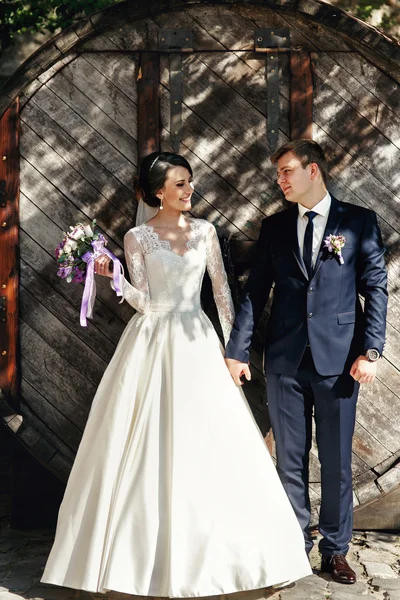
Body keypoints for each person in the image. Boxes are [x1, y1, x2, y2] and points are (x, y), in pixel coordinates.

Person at [41, 152, 311, 597]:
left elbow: (223, 291)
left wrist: (234, 350)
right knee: (147, 440)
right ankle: (138, 561)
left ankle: (237, 558)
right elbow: (143, 300)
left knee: (208, 437)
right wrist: (115, 277)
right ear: (158, 192)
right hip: (151, 339)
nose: (189, 190)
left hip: (197, 340)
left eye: (189, 182)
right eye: (180, 184)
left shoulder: (205, 232)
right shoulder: (137, 237)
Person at [225, 140, 388, 585]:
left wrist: (371, 351)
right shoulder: (275, 226)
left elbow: (375, 288)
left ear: (312, 170)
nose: (280, 180)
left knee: (335, 461)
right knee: (289, 461)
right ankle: (294, 544)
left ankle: (336, 549)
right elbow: (255, 292)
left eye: (286, 171)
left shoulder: (358, 222)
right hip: (285, 359)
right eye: (278, 173)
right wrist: (237, 351)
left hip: (341, 363)